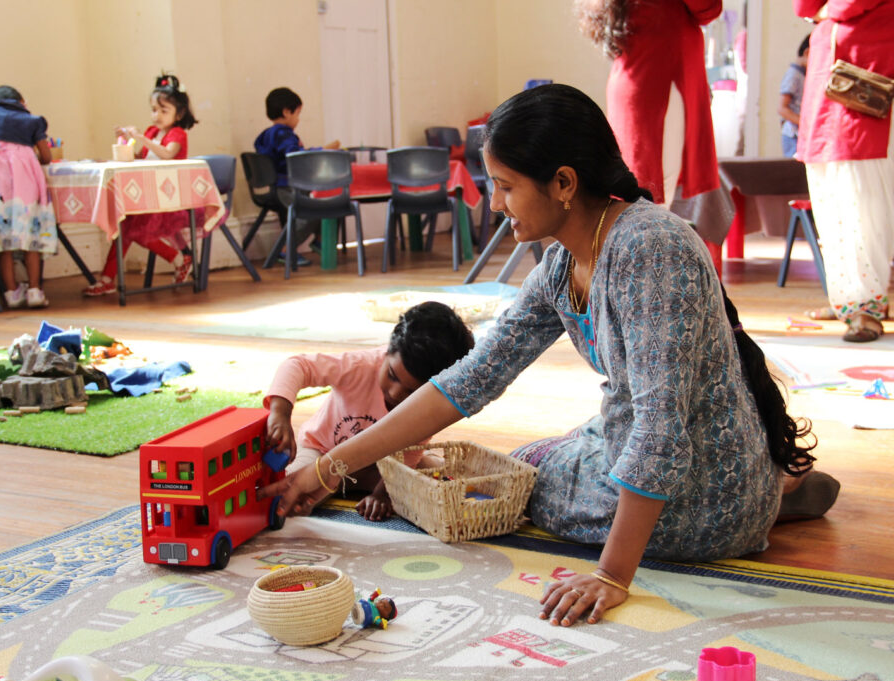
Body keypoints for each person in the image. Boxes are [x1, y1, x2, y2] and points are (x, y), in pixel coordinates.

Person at [261, 84, 837, 628]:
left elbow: (661, 430)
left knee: (526, 482)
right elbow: (469, 380)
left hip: (699, 495)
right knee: (532, 458)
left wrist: (611, 576)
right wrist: (325, 468)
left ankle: (758, 493)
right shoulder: (563, 261)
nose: (494, 202)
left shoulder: (650, 248)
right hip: (662, 445)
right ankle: (773, 484)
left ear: (563, 182)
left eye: (506, 185)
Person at [262, 301, 474, 521]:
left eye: (411, 392)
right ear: (387, 353)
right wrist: (280, 413)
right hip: (321, 452)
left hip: (380, 468)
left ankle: (427, 461)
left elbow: (409, 451)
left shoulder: (433, 401)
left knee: (427, 487)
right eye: (392, 375)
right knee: (290, 494)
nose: (395, 393)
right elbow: (298, 366)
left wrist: (382, 494)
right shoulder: (360, 365)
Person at [794, 1, 894, 342]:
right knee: (829, 197)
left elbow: (850, 4)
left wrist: (826, 11)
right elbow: (802, 6)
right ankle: (847, 298)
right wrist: (820, 12)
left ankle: (866, 306)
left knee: (862, 201)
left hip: (870, 82)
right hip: (828, 86)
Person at [576, 0, 722, 207]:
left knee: (634, 187)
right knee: (652, 192)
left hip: (633, 82)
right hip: (658, 87)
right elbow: (708, 8)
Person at [82, 74, 198, 296]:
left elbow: (167, 154)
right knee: (124, 229)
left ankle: (178, 258)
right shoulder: (152, 132)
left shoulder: (177, 134)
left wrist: (143, 139)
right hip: (145, 195)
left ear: (179, 113)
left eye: (164, 111)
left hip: (166, 197)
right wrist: (124, 142)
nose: (157, 116)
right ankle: (108, 278)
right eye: (154, 109)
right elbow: (140, 157)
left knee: (136, 232)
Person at [0, 85, 57, 309]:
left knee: (4, 240)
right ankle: (35, 291)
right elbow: (46, 156)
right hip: (25, 185)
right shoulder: (33, 121)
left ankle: (11, 293)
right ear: (22, 101)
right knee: (32, 235)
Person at [254, 87, 341, 268]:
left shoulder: (266, 135)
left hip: (274, 186)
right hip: (285, 186)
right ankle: (286, 249)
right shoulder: (282, 134)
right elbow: (295, 157)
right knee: (315, 208)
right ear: (286, 112)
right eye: (298, 114)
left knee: (323, 200)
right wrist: (323, 150)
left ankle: (320, 239)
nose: (298, 119)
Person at [778, 34, 810, 158]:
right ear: (807, 53)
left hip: (801, 133)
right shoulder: (794, 75)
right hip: (793, 135)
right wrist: (804, 124)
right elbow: (782, 108)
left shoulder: (803, 75)